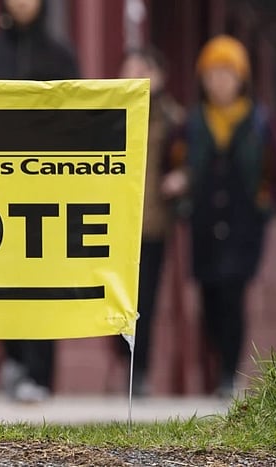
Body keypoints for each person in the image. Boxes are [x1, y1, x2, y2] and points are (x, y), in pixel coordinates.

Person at [0, 0, 79, 403]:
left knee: (44, 280)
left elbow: (77, 121)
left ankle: (40, 372)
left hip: (46, 188)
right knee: (1, 275)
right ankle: (13, 357)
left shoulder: (60, 55)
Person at [161, 34, 276, 399]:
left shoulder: (260, 122)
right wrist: (179, 194)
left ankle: (229, 375)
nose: (219, 81)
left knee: (233, 294)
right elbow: (171, 163)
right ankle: (215, 367)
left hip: (244, 223)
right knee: (210, 296)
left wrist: (267, 206)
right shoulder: (192, 123)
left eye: (227, 73)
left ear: (241, 78)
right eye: (212, 74)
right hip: (203, 221)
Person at [116, 47, 185, 397]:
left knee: (145, 302)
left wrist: (181, 178)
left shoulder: (172, 118)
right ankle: (121, 358)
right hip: (110, 225)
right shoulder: (109, 112)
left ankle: (139, 371)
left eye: (144, 70)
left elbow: (189, 158)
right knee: (112, 298)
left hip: (152, 223)